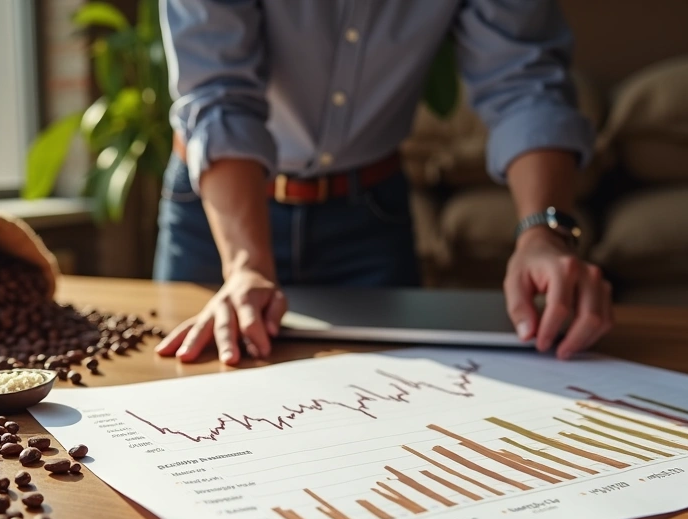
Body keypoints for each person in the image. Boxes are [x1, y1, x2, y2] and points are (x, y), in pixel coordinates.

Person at [151, 0, 613, 365]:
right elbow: (219, 97)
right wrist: (247, 264)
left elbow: (526, 82)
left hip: (367, 217)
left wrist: (542, 233)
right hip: (217, 211)